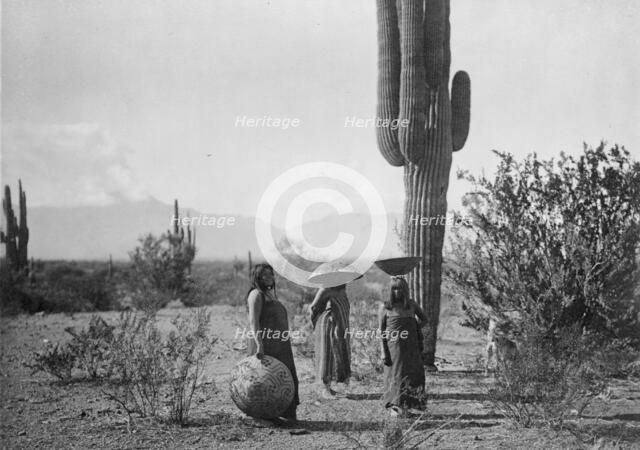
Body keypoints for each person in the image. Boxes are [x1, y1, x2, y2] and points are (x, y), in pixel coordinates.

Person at [246, 263, 299, 423]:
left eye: (271, 274)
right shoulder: (256, 295)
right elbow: (253, 322)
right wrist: (260, 345)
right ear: (257, 277)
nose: (269, 277)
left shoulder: (269, 294)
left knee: (285, 379)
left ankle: (284, 413)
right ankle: (264, 416)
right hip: (265, 344)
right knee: (265, 381)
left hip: (280, 345)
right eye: (264, 275)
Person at [379, 276, 427, 416]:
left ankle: (407, 406)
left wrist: (414, 329)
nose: (397, 291)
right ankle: (394, 407)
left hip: (411, 346)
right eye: (394, 288)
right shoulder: (386, 306)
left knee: (411, 374)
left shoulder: (411, 305)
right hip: (394, 348)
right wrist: (383, 351)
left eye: (400, 288)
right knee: (395, 374)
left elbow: (424, 319)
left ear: (405, 290)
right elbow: (381, 331)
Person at [310, 283, 353, 399]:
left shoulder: (342, 289)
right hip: (328, 325)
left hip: (341, 326)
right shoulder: (325, 288)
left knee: (337, 354)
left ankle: (331, 386)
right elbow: (313, 307)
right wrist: (316, 323)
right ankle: (325, 388)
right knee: (327, 354)